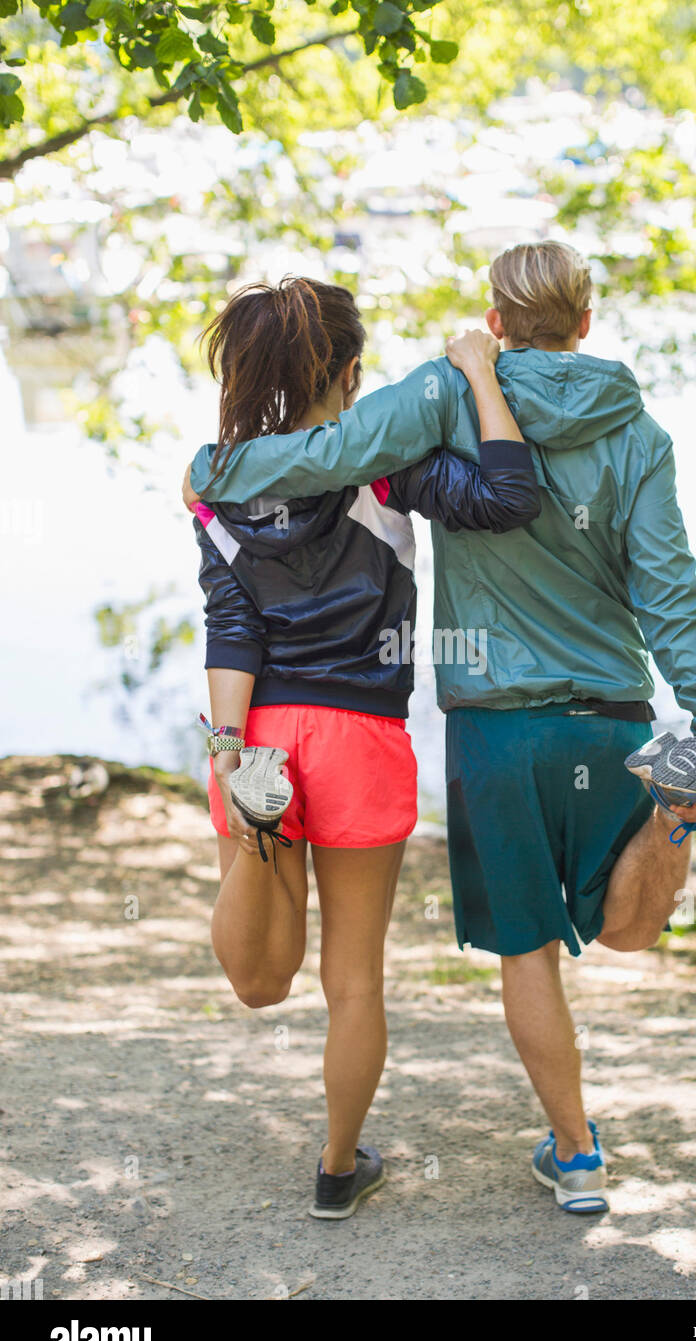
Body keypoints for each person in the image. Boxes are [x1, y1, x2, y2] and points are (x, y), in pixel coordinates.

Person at [185, 243, 696, 1215]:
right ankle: (670, 822)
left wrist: (217, 469)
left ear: (492, 321)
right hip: (601, 711)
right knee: (619, 929)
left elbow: (327, 459)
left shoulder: (443, 395)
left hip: (485, 724)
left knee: (524, 950)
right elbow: (669, 590)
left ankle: (575, 1157)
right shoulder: (638, 434)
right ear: (584, 323)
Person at [191, 275, 539, 1219]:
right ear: (349, 376)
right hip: (361, 740)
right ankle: (338, 1170)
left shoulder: (217, 480)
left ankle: (260, 834)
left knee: (261, 981)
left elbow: (231, 620)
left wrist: (228, 746)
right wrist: (476, 374)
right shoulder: (387, 469)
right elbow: (510, 494)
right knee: (353, 983)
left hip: (258, 728)